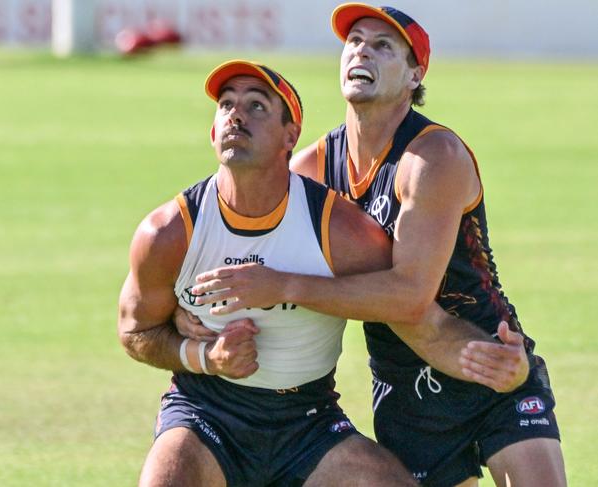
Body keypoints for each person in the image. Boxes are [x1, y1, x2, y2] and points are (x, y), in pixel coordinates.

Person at [189, 5, 566, 487]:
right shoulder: (312, 169)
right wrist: (190, 313)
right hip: (405, 387)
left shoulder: (433, 157)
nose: (361, 49)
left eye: (382, 45)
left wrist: (282, 285)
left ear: (415, 75)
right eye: (354, 41)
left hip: (489, 359)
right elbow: (246, 247)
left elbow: (409, 297)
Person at [118, 59, 423, 487]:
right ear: (212, 132)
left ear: (290, 136)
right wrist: (208, 358)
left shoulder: (339, 229)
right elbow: (134, 332)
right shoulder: (168, 232)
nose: (236, 115)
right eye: (226, 105)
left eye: (257, 106)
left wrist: (476, 351)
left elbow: (404, 299)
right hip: (206, 413)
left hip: (308, 421)